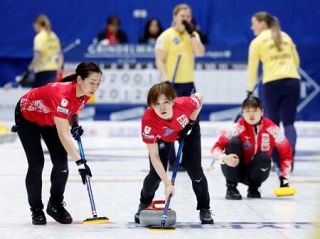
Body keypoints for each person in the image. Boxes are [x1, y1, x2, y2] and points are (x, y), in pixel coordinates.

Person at [14, 61, 102, 225]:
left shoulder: (85, 92)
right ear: (80, 79)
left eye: (98, 83)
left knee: (61, 164)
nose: (95, 87)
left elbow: (72, 111)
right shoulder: (62, 94)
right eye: (92, 82)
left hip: (49, 120)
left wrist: (74, 124)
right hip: (27, 117)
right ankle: (37, 210)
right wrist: (80, 162)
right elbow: (63, 134)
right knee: (37, 163)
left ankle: (55, 205)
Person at [134, 82, 214, 224]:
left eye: (165, 102)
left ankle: (204, 208)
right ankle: (144, 203)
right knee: (155, 175)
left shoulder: (184, 104)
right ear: (151, 106)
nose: (162, 107)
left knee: (195, 171)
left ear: (172, 101)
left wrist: (191, 122)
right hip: (163, 137)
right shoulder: (148, 121)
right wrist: (167, 183)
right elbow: (154, 155)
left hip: (188, 131)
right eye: (157, 104)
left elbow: (199, 97)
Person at [246, 11, 300, 170]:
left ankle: (278, 161)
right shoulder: (286, 36)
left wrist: (249, 90)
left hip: (272, 84)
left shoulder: (257, 42)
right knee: (289, 123)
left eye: (253, 23)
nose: (251, 27)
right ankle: (288, 160)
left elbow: (252, 69)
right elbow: (296, 62)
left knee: (273, 125)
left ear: (262, 23)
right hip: (292, 81)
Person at [211, 96, 293, 199]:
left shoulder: (273, 129)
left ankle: (254, 188)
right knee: (234, 143)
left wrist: (284, 178)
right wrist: (224, 158)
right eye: (247, 111)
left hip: (256, 172)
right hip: (235, 169)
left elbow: (286, 154)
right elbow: (215, 148)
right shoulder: (236, 128)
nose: (251, 114)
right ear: (243, 113)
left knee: (264, 158)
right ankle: (231, 188)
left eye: (255, 110)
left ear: (262, 112)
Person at [155, 3, 205, 171]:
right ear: (175, 17)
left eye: (188, 16)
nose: (185, 19)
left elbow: (200, 52)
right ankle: (171, 159)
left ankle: (188, 159)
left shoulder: (193, 35)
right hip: (172, 84)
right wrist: (165, 80)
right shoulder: (166, 36)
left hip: (188, 83)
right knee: (170, 122)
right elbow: (160, 59)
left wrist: (193, 35)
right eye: (182, 16)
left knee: (190, 121)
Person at [28, 14, 63, 88]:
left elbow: (38, 56)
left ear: (37, 24)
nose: (34, 27)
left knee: (33, 97)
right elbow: (60, 55)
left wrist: (30, 67)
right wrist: (58, 68)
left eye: (34, 25)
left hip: (42, 71)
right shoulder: (53, 36)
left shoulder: (39, 37)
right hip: (53, 71)